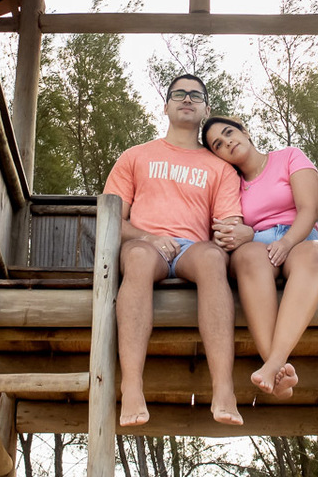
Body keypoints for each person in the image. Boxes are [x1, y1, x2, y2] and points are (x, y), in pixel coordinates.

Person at [105, 75, 245, 427]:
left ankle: (224, 388)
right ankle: (132, 386)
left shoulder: (221, 168)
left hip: (192, 251)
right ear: (166, 106)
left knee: (213, 257)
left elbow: (228, 226)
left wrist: (236, 232)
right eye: (179, 94)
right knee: (138, 258)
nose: (187, 99)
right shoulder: (135, 156)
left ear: (206, 109)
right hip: (144, 246)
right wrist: (149, 238)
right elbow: (110, 220)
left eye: (196, 95)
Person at [201, 116, 318, 399]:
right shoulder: (230, 185)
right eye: (218, 144)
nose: (227, 142)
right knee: (247, 256)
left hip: (300, 239)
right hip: (259, 249)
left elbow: (309, 209)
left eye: (229, 132)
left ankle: (274, 365)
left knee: (313, 254)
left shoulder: (289, 157)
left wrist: (287, 242)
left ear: (244, 131)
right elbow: (227, 230)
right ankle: (277, 372)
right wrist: (247, 234)